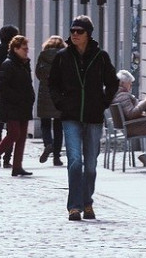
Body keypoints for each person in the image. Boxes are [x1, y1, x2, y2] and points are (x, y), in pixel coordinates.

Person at [49, 16, 117, 221]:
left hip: (93, 117)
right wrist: (60, 103)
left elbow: (112, 82)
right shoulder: (62, 56)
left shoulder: (101, 57)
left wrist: (103, 102)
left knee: (90, 165)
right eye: (72, 31)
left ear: (88, 34)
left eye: (79, 31)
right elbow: (52, 83)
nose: (75, 34)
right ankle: (74, 207)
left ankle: (87, 202)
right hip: (70, 116)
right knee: (75, 161)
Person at [0, 35, 35, 176]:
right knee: (14, 133)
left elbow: (28, 83)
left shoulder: (24, 63)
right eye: (24, 49)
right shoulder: (8, 64)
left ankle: (17, 167)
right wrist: (18, 98)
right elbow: (2, 86)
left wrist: (31, 97)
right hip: (12, 106)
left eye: (27, 49)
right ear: (15, 49)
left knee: (22, 136)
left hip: (24, 105)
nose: (27, 52)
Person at [35, 35, 65, 166]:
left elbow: (38, 74)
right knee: (59, 127)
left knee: (45, 124)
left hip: (44, 95)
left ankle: (48, 144)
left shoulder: (42, 56)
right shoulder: (65, 57)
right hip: (59, 95)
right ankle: (57, 158)